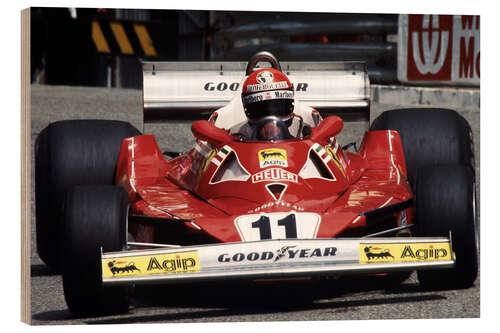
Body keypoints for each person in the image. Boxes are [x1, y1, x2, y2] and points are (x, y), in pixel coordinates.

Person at [230, 68, 315, 141]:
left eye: (277, 107)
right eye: (260, 109)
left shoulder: (306, 132)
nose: (269, 125)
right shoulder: (235, 135)